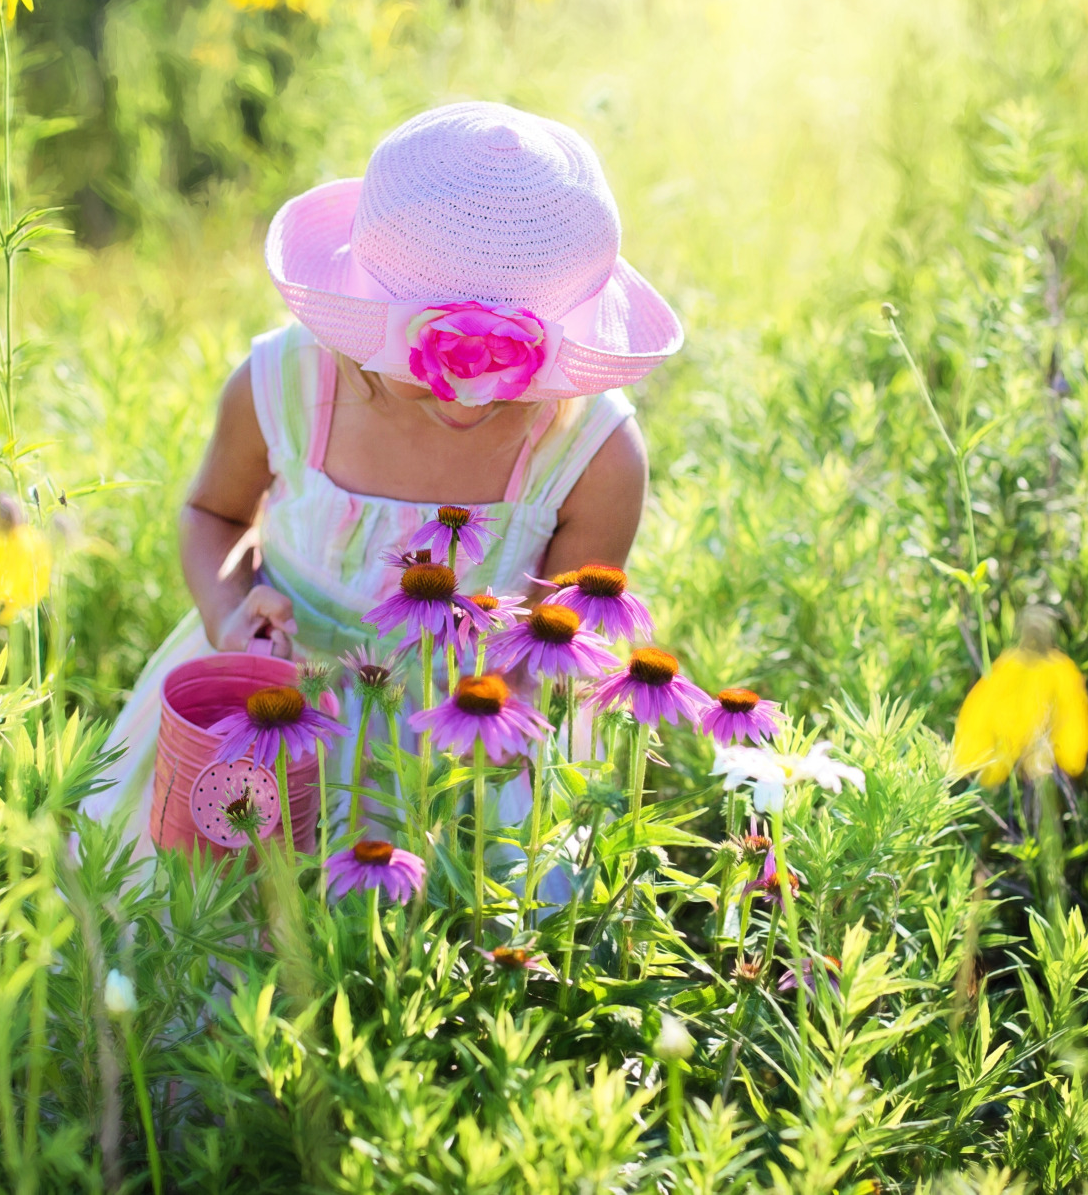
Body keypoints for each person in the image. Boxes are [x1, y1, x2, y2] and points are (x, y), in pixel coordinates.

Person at [84, 100, 683, 858]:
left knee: (451, 915)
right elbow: (214, 513)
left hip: (457, 746)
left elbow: (557, 643)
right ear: (361, 320)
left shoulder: (592, 453)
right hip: (273, 705)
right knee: (214, 902)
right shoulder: (284, 386)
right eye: (435, 365)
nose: (468, 396)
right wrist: (229, 615)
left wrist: (501, 714)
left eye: (507, 373)